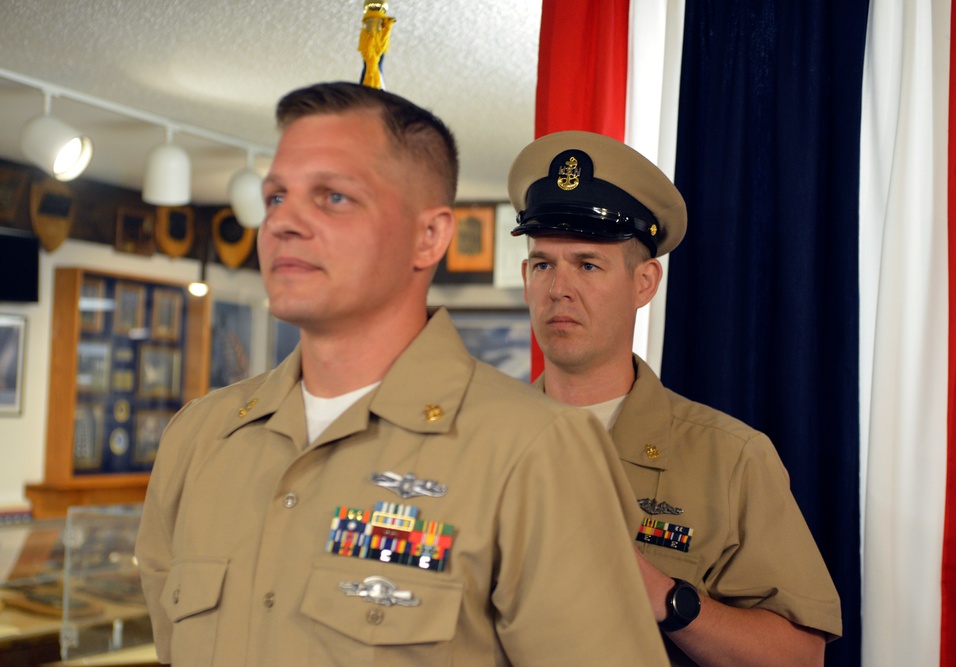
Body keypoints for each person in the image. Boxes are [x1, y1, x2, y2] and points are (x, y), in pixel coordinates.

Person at [135, 83, 671, 666]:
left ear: (429, 236)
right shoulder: (199, 438)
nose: (285, 223)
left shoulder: (535, 451)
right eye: (275, 199)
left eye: (333, 197)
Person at [510, 131, 842, 667]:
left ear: (644, 283)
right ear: (526, 279)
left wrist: (665, 598)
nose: (559, 289)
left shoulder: (731, 458)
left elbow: (800, 656)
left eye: (588, 265)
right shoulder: (477, 440)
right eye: (544, 264)